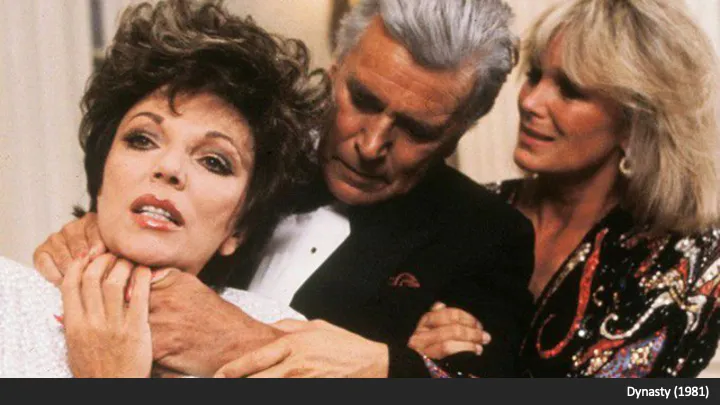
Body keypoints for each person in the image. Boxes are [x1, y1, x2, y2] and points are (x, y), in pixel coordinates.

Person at [34, 0, 535, 378]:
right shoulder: (244, 157)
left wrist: (381, 365)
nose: (371, 145)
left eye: (417, 129)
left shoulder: (486, 235)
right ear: (335, 69)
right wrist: (96, 238)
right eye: (362, 100)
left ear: (460, 131)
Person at [1, 0, 327, 377]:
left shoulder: (277, 336)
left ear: (240, 226)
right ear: (100, 176)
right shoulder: (7, 298)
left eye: (214, 161)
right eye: (142, 139)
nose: (169, 168)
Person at [409, 0, 720, 377]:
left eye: (570, 90)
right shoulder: (468, 211)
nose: (530, 101)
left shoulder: (685, 258)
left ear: (634, 123)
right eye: (535, 75)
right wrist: (412, 343)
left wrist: (411, 369)